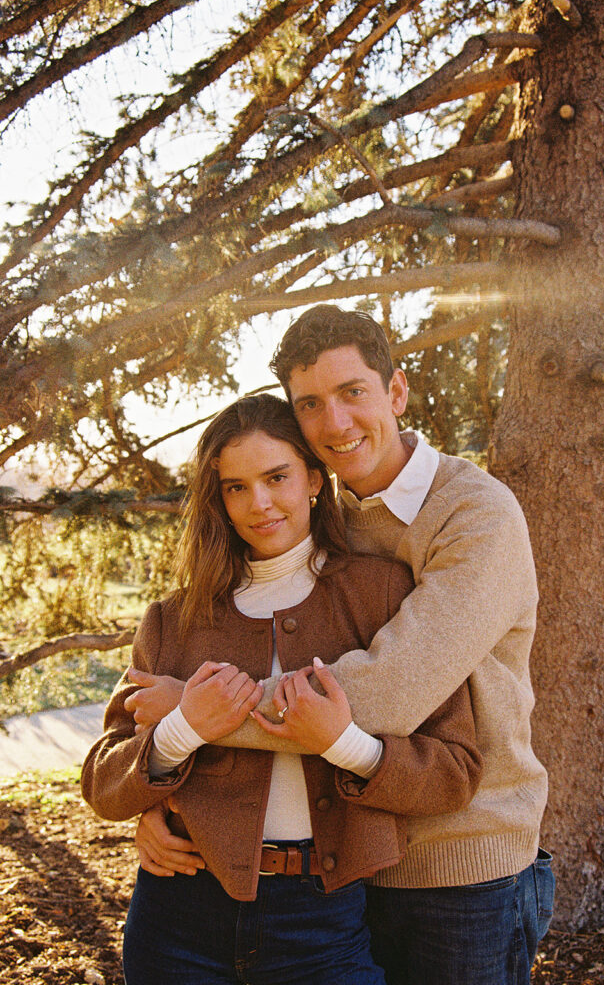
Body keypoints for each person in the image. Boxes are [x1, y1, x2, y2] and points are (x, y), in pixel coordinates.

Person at [129, 305, 554, 985]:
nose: (334, 423)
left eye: (352, 392)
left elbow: (388, 691)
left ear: (396, 391)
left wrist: (195, 714)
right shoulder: (326, 519)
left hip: (459, 866)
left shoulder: (476, 514)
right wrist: (163, 797)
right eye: (310, 404)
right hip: (350, 867)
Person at [81, 392, 483, 985]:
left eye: (277, 477)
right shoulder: (173, 619)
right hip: (177, 918)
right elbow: (104, 786)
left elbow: (454, 770)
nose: (259, 504)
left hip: (323, 918)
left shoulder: (380, 595)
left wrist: (344, 743)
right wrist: (183, 729)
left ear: (316, 479)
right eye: (235, 487)